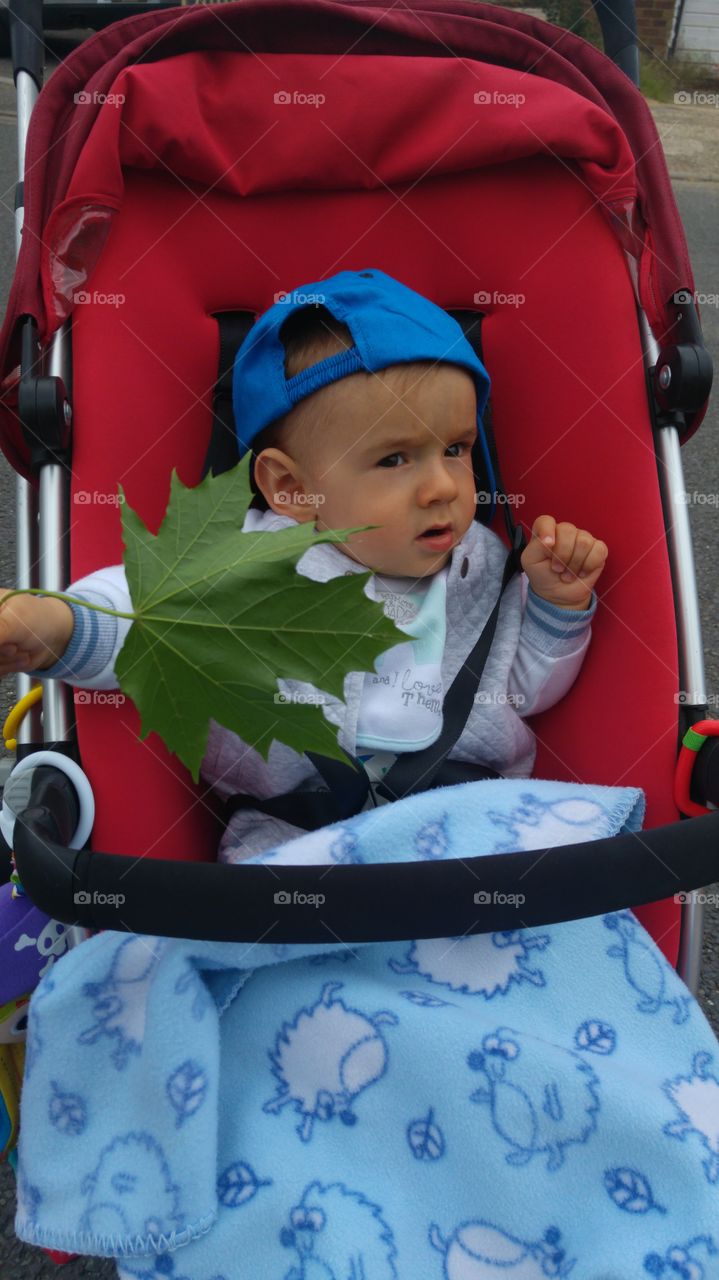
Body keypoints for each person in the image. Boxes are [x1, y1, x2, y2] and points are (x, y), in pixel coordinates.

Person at [0, 269, 608, 861]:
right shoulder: (252, 563)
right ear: (291, 489)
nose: (441, 487)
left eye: (455, 449)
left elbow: (522, 693)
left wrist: (558, 604)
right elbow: (147, 613)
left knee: (566, 876)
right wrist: (59, 626)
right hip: (299, 838)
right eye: (394, 459)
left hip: (474, 818)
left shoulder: (484, 563)